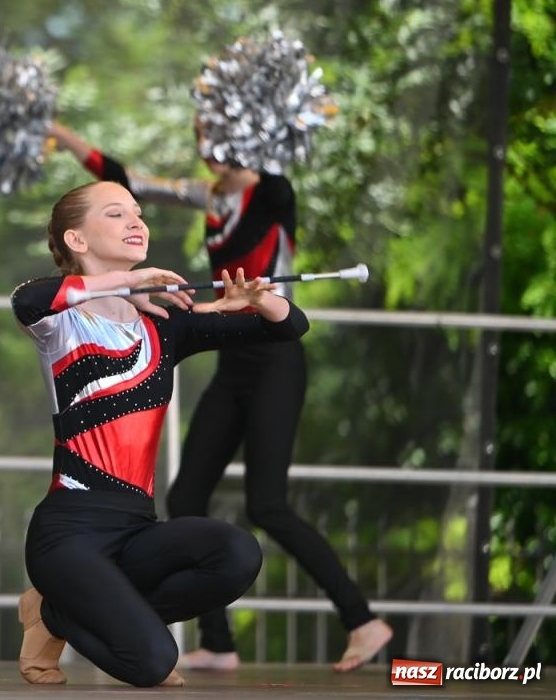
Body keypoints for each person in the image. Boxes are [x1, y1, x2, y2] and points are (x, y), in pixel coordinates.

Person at [50, 120, 392, 672]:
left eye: (218, 134)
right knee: (186, 496)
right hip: (232, 359)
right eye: (202, 134)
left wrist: (254, 298)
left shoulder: (273, 190)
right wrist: (60, 134)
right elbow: (124, 177)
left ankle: (362, 620)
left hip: (273, 354)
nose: (208, 147)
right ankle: (218, 642)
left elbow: (278, 301)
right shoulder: (204, 195)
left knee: (267, 505)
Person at [11, 180, 311, 687]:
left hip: (135, 530)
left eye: (137, 212)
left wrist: (260, 300)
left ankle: (59, 613)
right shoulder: (59, 322)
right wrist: (128, 282)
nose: (136, 222)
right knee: (152, 664)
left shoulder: (163, 323)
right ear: (76, 240)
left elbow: (288, 328)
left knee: (237, 553)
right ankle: (65, 615)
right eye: (116, 214)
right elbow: (27, 297)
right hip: (70, 534)